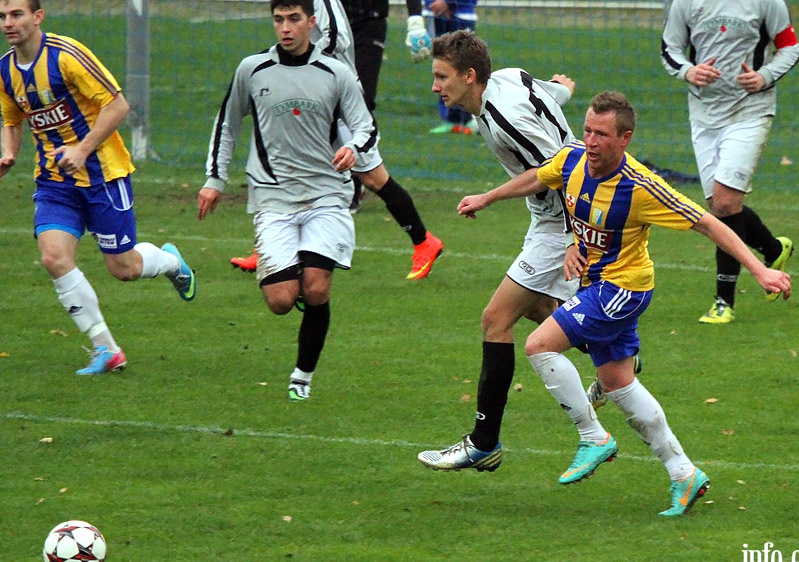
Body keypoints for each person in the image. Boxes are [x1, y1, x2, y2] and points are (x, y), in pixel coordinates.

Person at [446, 91, 791, 516]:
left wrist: (760, 270)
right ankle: (684, 474)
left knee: (539, 345)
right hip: (598, 284)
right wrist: (488, 197)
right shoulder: (572, 160)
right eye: (587, 130)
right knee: (619, 384)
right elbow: (540, 177)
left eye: (602, 135)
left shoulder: (640, 186)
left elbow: (707, 223)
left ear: (624, 138)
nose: (590, 141)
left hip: (623, 288)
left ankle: (593, 437)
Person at [0, 0, 196, 375]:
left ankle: (170, 261)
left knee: (123, 268)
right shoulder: (5, 71)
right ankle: (106, 349)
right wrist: (8, 153)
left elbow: (118, 105)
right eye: (3, 16)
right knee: (54, 258)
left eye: (16, 14)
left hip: (103, 175)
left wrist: (82, 148)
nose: (8, 23)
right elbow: (12, 118)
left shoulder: (67, 56)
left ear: (37, 17)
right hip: (55, 182)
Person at [416, 30, 582, 474]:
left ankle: (484, 442)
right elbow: (546, 96)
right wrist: (563, 89)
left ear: (470, 76)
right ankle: (615, 347)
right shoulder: (509, 77)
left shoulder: (502, 118)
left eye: (442, 77)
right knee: (541, 308)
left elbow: (560, 172)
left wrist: (489, 198)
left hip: (561, 221)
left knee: (496, 319)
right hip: (548, 219)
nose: (435, 87)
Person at [198, 0, 376, 401]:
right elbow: (226, 124)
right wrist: (214, 180)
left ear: (311, 23)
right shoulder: (252, 69)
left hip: (328, 194)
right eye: (278, 19)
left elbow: (366, 126)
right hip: (272, 198)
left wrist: (354, 149)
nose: (286, 28)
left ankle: (302, 375)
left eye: (294, 19)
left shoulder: (335, 72)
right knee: (281, 301)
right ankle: (297, 272)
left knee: (315, 290)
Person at [230, 0, 443, 280]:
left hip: (335, 100)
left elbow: (333, 40)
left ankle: (423, 241)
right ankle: (270, 249)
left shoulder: (323, 5)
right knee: (283, 160)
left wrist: (289, 62)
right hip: (309, 96)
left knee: (373, 177)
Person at [661, 0, 799, 324]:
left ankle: (723, 302)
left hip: (750, 110)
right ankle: (773, 249)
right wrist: (688, 70)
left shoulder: (767, 3)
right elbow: (670, 48)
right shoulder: (686, 4)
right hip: (704, 116)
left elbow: (790, 47)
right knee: (721, 208)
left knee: (724, 200)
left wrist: (765, 75)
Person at [423, 1, 478, 134]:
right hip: (436, 13)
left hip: (461, 14)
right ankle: (451, 118)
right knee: (443, 65)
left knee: (461, 63)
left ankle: (467, 116)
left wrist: (448, 2)